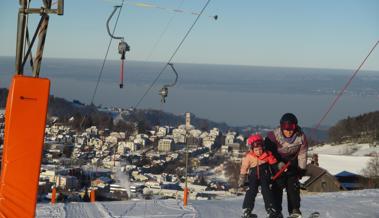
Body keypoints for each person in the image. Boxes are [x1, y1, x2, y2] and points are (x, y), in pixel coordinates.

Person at [264, 113, 308, 218]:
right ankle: (276, 211)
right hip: (277, 163)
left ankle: (294, 209)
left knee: (293, 187)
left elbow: (302, 154)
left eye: (291, 128)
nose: (288, 131)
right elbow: (268, 152)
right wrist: (277, 164)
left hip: (292, 164)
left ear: (295, 126)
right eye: (285, 128)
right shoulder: (274, 136)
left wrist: (301, 169)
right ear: (281, 127)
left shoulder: (300, 137)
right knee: (277, 186)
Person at [239, 134, 282, 218]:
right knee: (251, 191)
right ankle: (247, 209)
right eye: (256, 150)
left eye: (260, 149)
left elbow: (274, 164)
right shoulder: (249, 157)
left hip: (265, 176)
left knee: (266, 191)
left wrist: (279, 168)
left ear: (263, 147)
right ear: (252, 149)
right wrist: (242, 178)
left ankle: (271, 210)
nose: (259, 151)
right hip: (253, 177)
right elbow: (244, 167)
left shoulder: (267, 155)